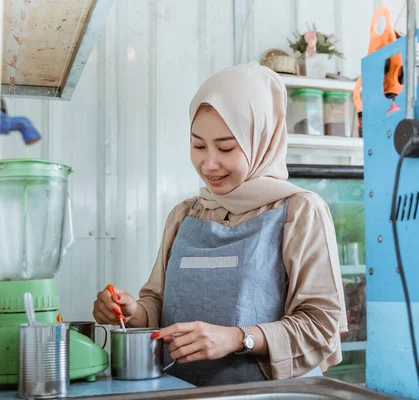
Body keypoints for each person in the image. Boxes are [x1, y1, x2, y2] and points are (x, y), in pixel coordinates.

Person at [93, 62, 348, 386]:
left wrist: (239, 338)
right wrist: (132, 313)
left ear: (262, 141)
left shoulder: (300, 212)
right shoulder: (184, 215)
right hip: (182, 391)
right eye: (198, 145)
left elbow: (320, 325)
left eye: (226, 147)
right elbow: (158, 304)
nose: (208, 164)